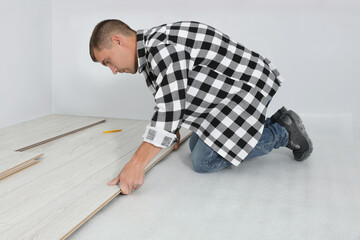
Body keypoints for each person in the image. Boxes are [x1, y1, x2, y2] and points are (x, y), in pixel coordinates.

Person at [89, 20, 313, 195]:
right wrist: (173, 129)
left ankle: (283, 132)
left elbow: (171, 107)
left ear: (117, 41)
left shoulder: (161, 50)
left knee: (203, 160)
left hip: (243, 89)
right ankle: (275, 121)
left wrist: (136, 164)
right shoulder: (151, 50)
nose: (113, 70)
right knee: (196, 143)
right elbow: (171, 95)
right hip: (227, 96)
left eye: (107, 61)